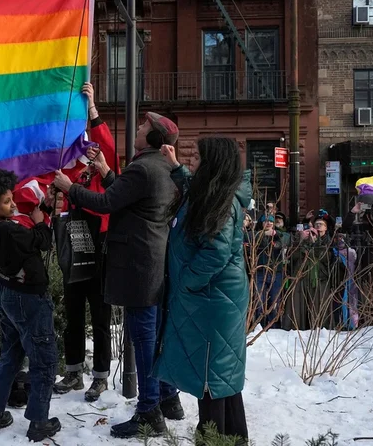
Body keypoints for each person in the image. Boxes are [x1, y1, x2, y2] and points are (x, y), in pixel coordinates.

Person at [54, 111, 184, 438]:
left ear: (152, 137)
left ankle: (149, 411)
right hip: (156, 261)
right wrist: (107, 171)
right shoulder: (164, 166)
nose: (137, 128)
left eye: (142, 126)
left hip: (139, 265)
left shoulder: (142, 167)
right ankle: (169, 398)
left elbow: (108, 203)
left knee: (143, 338)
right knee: (156, 334)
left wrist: (70, 188)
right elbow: (132, 199)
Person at [152, 138, 250, 444]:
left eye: (197, 156)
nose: (191, 158)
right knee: (221, 378)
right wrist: (176, 167)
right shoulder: (213, 192)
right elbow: (195, 187)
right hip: (213, 299)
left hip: (212, 301)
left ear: (213, 163)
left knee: (211, 378)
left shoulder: (222, 201)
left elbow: (215, 254)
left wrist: (187, 284)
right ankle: (234, 437)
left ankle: (213, 438)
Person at [0, 169, 60, 442]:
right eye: (8, 201)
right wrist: (40, 221)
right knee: (44, 359)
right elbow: (42, 242)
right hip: (27, 298)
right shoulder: (10, 231)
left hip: (6, 292)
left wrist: (43, 207)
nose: (13, 205)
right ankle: (38, 421)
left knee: (10, 355)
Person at [52, 82, 117, 402]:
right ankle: (74, 371)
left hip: (100, 239)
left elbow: (106, 141)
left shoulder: (106, 166)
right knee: (73, 311)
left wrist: (92, 106)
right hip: (75, 236)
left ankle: (101, 376)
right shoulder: (69, 162)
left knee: (100, 314)